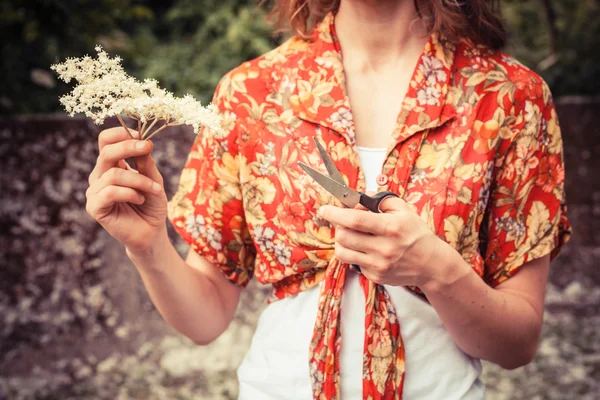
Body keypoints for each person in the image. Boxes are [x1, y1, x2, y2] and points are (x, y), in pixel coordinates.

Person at [85, 0, 572, 398]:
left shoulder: (509, 97)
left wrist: (436, 271)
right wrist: (148, 247)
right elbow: (205, 318)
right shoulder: (251, 94)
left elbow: (517, 344)